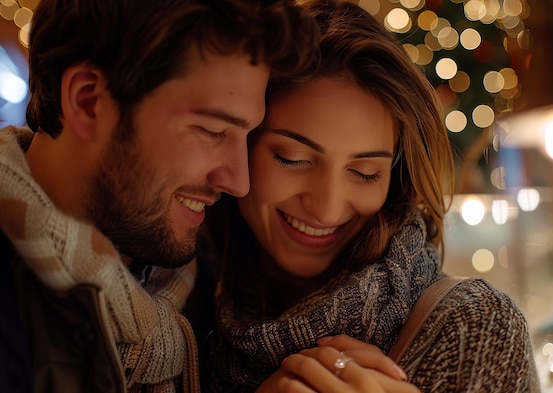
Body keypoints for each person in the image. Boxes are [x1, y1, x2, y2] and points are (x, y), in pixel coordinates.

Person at [191, 0, 541, 391]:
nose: (326, 207)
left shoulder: (475, 326)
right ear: (244, 144)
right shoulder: (180, 311)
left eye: (364, 172)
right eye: (292, 159)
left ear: (395, 175)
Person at [0, 0, 319, 392]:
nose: (239, 183)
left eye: (248, 135)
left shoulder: (211, 283)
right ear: (88, 100)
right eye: (212, 131)